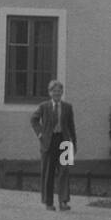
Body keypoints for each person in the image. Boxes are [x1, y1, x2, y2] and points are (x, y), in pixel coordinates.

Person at [30, 80, 77, 212]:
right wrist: (40, 135)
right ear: (50, 93)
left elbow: (71, 126)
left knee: (64, 172)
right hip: (48, 143)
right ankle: (48, 202)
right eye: (54, 91)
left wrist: (74, 143)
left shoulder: (68, 107)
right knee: (48, 172)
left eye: (59, 91)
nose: (57, 93)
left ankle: (63, 201)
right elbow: (33, 119)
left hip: (65, 141)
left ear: (62, 92)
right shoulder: (44, 106)